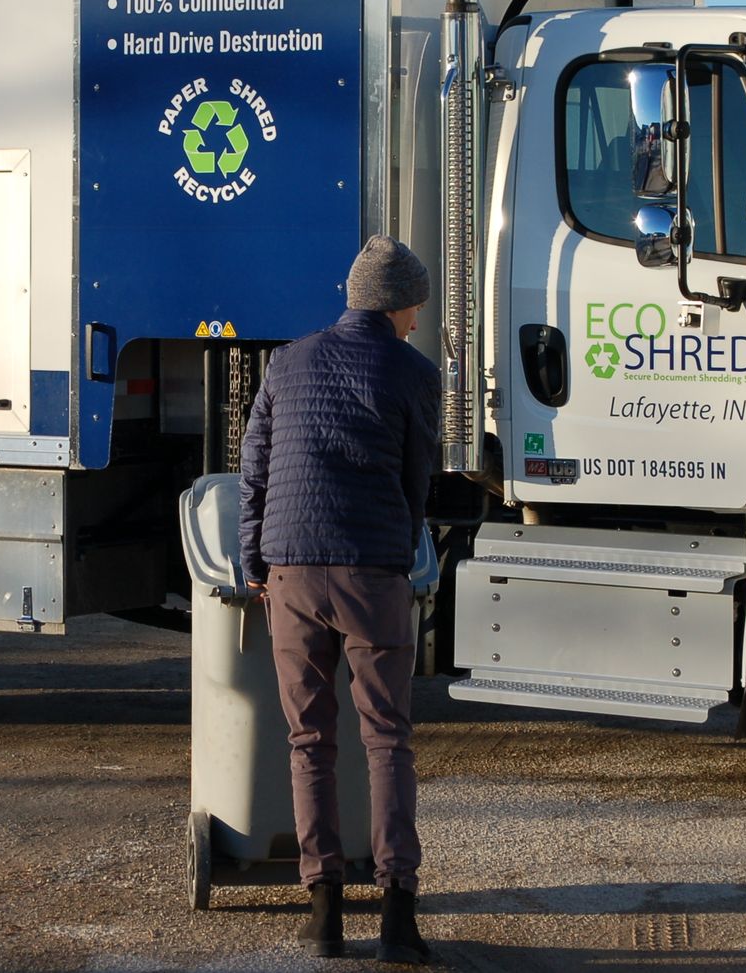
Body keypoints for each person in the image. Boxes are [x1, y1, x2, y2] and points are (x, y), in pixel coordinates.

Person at [238, 234, 439, 964]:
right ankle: (397, 917)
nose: (416, 319)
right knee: (386, 738)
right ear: (396, 305)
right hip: (371, 573)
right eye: (414, 307)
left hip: (291, 571)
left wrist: (253, 560)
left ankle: (322, 913)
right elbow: (417, 480)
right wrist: (399, 549)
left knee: (309, 741)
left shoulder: (286, 362)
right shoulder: (414, 373)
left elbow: (254, 467)